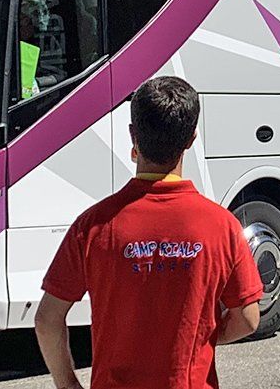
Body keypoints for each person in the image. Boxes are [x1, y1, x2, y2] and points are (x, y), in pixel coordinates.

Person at [34, 76, 263, 389]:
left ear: (133, 135)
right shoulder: (222, 226)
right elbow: (248, 319)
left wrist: (68, 385)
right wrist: (202, 337)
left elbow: (47, 320)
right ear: (191, 138)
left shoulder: (92, 226)